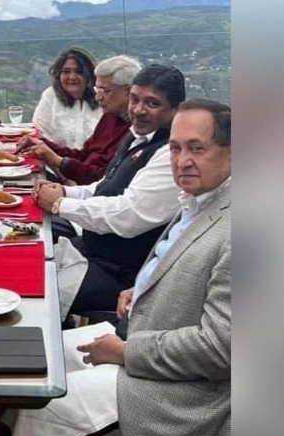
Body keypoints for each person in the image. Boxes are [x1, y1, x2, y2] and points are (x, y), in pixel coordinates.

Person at [9, 99, 231, 436]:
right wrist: (141, 286)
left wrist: (126, 353)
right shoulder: (201, 201)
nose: (182, 160)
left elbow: (219, 349)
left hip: (187, 391)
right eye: (175, 149)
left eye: (197, 148)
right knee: (28, 367)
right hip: (143, 332)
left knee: (45, 405)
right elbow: (184, 262)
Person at [33, 64, 186, 315]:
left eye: (152, 103)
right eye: (134, 100)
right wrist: (65, 192)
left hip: (120, 275)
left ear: (175, 109)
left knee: (37, 289)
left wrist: (60, 205)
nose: (138, 110)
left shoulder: (170, 153)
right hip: (94, 250)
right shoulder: (138, 137)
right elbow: (105, 185)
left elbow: (128, 216)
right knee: (29, 252)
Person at [20, 55, 140, 185]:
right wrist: (42, 143)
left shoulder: (137, 130)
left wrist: (57, 160)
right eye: (97, 90)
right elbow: (84, 154)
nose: (98, 97)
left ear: (129, 92)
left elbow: (104, 178)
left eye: (105, 91)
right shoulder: (110, 116)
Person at [32, 47, 102, 149]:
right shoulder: (50, 96)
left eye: (79, 72)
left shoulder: (102, 98)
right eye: (66, 71)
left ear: (89, 74)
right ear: (58, 74)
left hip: (95, 164)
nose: (72, 77)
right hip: (56, 162)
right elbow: (39, 135)